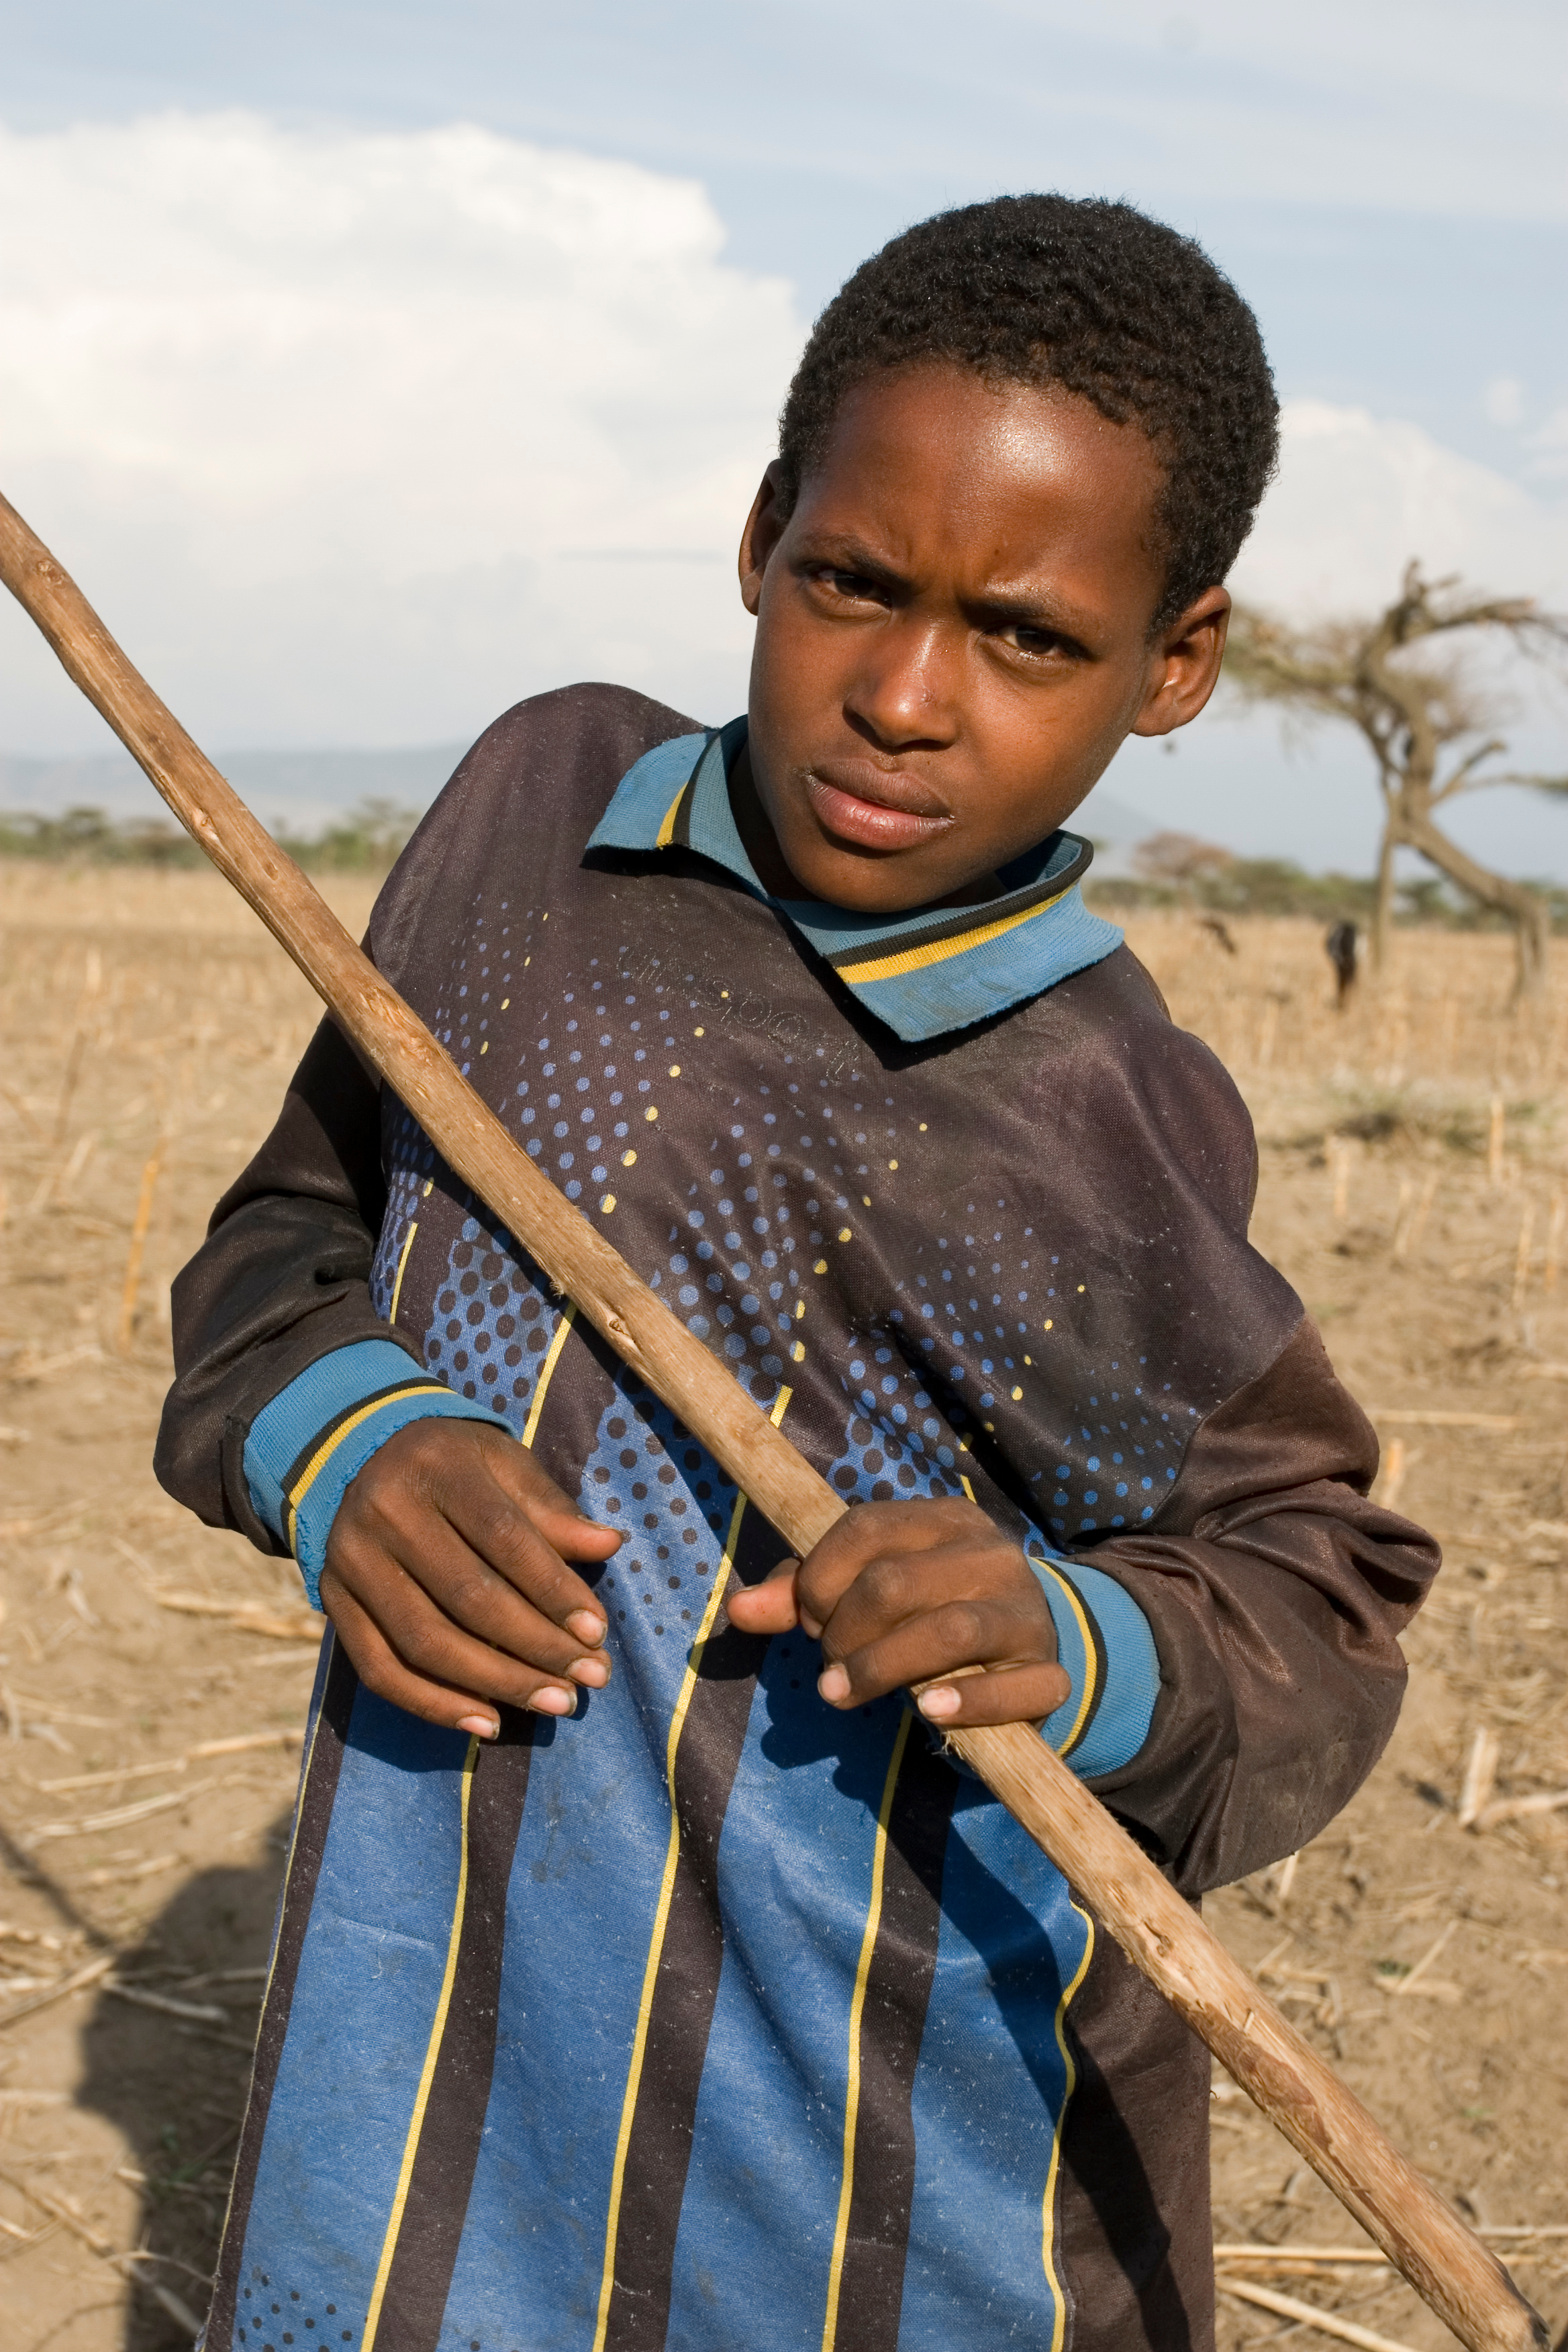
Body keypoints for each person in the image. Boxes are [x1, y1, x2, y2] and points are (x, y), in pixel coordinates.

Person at [158, 195, 1436, 2352]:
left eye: (1026, 637)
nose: (906, 697)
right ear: (764, 534)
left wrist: (1066, 1629)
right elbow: (283, 1248)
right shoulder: (535, 818)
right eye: (853, 582)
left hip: (871, 2179)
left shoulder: (1106, 1112)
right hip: (421, 2106)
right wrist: (347, 1436)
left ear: (1178, 662)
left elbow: (1314, 1584)